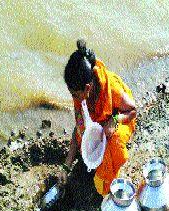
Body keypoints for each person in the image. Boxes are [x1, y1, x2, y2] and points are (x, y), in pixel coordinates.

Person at [59, 40, 137, 196]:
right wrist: (66, 165)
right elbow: (78, 128)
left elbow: (133, 111)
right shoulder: (80, 95)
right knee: (85, 136)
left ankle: (108, 182)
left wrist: (114, 120)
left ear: (87, 88)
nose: (73, 97)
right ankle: (94, 161)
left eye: (74, 94)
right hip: (99, 125)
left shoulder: (111, 89)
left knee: (114, 140)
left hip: (119, 121)